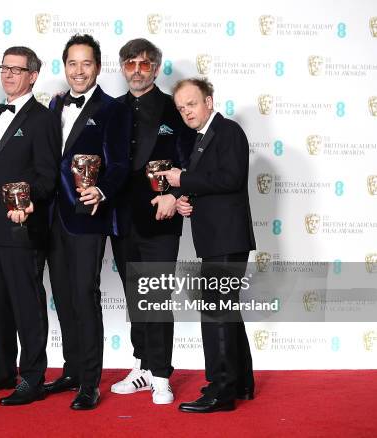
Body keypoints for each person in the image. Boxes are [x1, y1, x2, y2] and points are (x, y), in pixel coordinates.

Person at [157, 77, 256, 413]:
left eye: (192, 104)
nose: (187, 111)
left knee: (216, 309)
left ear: (209, 101)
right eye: (181, 107)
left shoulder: (227, 131)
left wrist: (181, 179)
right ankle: (240, 382)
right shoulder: (203, 137)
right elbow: (211, 187)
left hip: (227, 237)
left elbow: (230, 178)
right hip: (218, 236)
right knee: (224, 308)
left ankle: (220, 389)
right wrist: (187, 201)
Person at [44, 34, 131, 410]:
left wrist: (103, 192)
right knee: (62, 296)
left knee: (84, 294)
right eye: (72, 64)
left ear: (97, 67)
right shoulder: (53, 104)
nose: (79, 71)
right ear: (64, 66)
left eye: (86, 64)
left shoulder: (113, 109)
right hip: (51, 217)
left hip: (87, 218)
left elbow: (120, 165)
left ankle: (90, 384)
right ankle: (72, 369)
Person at [109, 38, 195, 405]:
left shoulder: (173, 108)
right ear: (123, 68)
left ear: (156, 68)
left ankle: (161, 373)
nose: (137, 70)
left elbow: (191, 156)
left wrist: (176, 197)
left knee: (157, 296)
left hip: (161, 217)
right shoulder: (111, 110)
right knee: (135, 297)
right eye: (130, 64)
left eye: (145, 64)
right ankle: (142, 364)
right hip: (120, 219)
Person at [0, 46, 60, 406]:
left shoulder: (42, 119)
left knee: (27, 304)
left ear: (33, 76)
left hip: (22, 226)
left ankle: (32, 378)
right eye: (4, 68)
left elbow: (47, 176)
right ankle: (2, 371)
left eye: (17, 69)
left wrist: (28, 202)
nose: (9, 75)